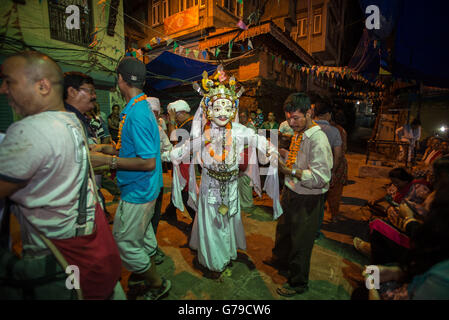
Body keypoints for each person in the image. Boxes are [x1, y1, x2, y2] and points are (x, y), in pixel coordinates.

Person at [0, 51, 124, 300]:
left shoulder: (30, 131)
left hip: (57, 254)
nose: (3, 90)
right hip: (83, 244)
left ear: (43, 86)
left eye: (9, 81)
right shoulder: (69, 121)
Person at [169, 70, 282, 278]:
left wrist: (270, 149)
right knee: (212, 224)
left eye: (228, 107)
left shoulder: (239, 131)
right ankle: (214, 262)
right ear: (208, 109)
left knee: (228, 220)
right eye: (217, 107)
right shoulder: (204, 134)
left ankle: (228, 252)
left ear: (233, 111)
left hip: (230, 184)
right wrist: (167, 154)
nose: (223, 111)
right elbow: (185, 150)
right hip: (210, 184)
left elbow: (259, 139)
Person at [89, 57, 170, 300]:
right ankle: (144, 275)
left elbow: (147, 162)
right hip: (139, 188)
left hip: (140, 190)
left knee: (124, 243)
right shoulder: (135, 108)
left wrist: (108, 162)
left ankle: (157, 285)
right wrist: (111, 150)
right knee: (141, 237)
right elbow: (135, 149)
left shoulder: (137, 113)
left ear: (120, 79)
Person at [263, 92, 333, 297]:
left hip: (308, 197)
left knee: (301, 241)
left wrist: (290, 171)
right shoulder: (299, 132)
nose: (291, 123)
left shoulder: (318, 139)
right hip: (292, 190)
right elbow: (298, 158)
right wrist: (282, 154)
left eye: (295, 118)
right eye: (288, 118)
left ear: (309, 112)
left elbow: (321, 177)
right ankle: (280, 261)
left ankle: (298, 282)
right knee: (284, 230)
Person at [360, 172, 449, 300]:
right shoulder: (439, 251)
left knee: (362, 291)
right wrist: (397, 273)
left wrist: (372, 291)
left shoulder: (442, 277)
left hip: (409, 237)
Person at [354, 167, 432, 264]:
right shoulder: (397, 187)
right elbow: (388, 195)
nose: (395, 185)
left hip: (407, 224)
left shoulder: (419, 188)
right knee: (373, 222)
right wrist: (376, 201)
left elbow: (423, 208)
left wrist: (409, 210)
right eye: (393, 182)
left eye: (397, 182)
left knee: (376, 225)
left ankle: (375, 256)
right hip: (399, 218)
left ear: (406, 180)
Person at [64, 72, 113, 223]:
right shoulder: (67, 120)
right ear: (72, 91)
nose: (94, 96)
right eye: (90, 91)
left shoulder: (79, 118)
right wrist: (115, 160)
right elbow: (76, 159)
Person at [147, 96, 173, 265]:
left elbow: (168, 149)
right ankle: (146, 252)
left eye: (156, 113)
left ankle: (151, 249)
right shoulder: (135, 128)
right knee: (145, 219)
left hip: (155, 181)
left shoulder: (158, 130)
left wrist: (160, 156)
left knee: (154, 217)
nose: (155, 116)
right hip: (141, 184)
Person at [163, 100, 196, 226]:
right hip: (184, 161)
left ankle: (196, 220)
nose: (174, 119)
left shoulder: (189, 124)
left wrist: (171, 121)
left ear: (181, 113)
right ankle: (170, 212)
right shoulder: (188, 123)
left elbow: (173, 140)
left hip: (185, 163)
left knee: (184, 191)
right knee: (177, 187)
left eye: (175, 115)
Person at [312, 98, 342, 237]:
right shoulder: (334, 131)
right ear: (328, 114)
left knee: (306, 201)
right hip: (323, 173)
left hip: (305, 171)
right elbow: (338, 155)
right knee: (319, 203)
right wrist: (333, 172)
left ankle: (304, 229)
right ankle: (315, 231)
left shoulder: (307, 128)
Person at [327, 110, 349, 222]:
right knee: (335, 192)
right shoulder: (341, 131)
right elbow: (342, 151)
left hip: (324, 163)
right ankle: (334, 215)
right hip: (337, 164)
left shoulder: (320, 129)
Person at [237, 111, 256, 212]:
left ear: (248, 117)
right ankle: (241, 202)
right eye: (240, 116)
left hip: (249, 154)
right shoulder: (238, 126)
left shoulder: (250, 127)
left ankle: (248, 203)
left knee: (246, 179)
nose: (241, 118)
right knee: (239, 179)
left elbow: (247, 140)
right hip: (240, 154)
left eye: (244, 116)